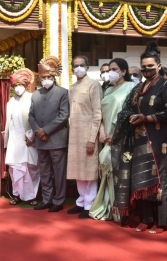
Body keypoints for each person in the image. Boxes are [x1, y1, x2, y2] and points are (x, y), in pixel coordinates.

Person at [112, 41, 167, 233]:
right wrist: (129, 118)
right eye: (143, 67)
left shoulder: (166, 85)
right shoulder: (138, 88)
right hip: (139, 140)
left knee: (159, 181)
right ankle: (145, 219)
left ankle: (161, 222)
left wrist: (147, 117)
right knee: (140, 179)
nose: (147, 70)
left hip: (159, 141)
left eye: (150, 66)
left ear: (158, 66)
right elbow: (129, 110)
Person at [89, 58, 136, 221]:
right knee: (107, 169)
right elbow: (100, 113)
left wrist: (116, 133)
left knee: (120, 171)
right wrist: (102, 131)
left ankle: (121, 209)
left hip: (122, 137)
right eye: (109, 69)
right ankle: (108, 206)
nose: (111, 72)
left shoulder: (131, 87)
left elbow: (129, 112)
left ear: (123, 71)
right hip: (106, 137)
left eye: (114, 69)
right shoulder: (107, 90)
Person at [29, 56, 69, 212]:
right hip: (41, 140)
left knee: (59, 171)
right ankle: (47, 199)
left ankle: (58, 201)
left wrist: (45, 130)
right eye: (43, 77)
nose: (46, 80)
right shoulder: (35, 94)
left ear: (54, 77)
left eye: (49, 77)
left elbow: (64, 115)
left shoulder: (63, 93)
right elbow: (31, 116)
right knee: (44, 171)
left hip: (57, 139)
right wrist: (38, 131)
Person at [67, 55, 103, 219]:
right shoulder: (72, 87)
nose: (78, 68)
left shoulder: (94, 85)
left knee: (89, 170)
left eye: (81, 65)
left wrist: (91, 138)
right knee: (78, 169)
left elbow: (97, 113)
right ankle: (81, 201)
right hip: (74, 134)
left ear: (87, 68)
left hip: (88, 134)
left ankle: (90, 205)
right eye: (75, 66)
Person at [4, 68, 40, 206]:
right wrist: (7, 142)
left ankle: (31, 196)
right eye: (15, 86)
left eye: (20, 85)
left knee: (30, 168)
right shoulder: (11, 102)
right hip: (14, 140)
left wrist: (33, 136)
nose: (17, 88)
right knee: (15, 169)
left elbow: (38, 119)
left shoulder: (33, 98)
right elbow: (8, 123)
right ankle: (17, 194)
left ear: (25, 85)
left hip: (29, 139)